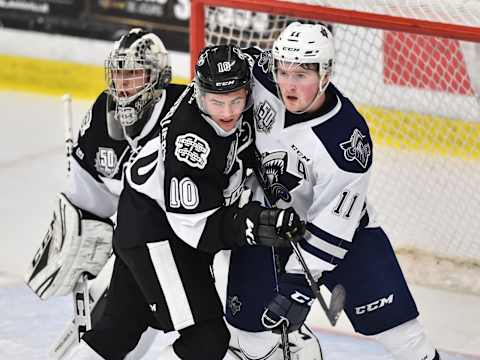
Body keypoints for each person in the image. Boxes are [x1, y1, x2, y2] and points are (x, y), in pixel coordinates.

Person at [64, 44, 305, 360]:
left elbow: (258, 61)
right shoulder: (191, 143)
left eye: (236, 100)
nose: (228, 113)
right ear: (199, 94)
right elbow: (196, 228)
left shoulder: (235, 87)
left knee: (118, 330)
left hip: (141, 216)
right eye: (217, 102)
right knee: (206, 339)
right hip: (159, 232)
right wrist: (254, 223)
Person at [225, 22, 442, 360]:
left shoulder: (346, 141)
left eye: (301, 75)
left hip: (345, 239)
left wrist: (298, 285)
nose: (288, 85)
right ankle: (299, 348)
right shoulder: (260, 78)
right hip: (271, 222)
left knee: (406, 340)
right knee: (247, 335)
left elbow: (334, 224)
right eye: (283, 72)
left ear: (325, 74)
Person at [24, 28, 186, 359]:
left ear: (159, 77)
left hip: (190, 243)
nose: (124, 85)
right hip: (139, 242)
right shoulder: (102, 114)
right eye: (118, 74)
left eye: (135, 74)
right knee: (119, 328)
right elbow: (88, 196)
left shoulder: (184, 111)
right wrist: (75, 234)